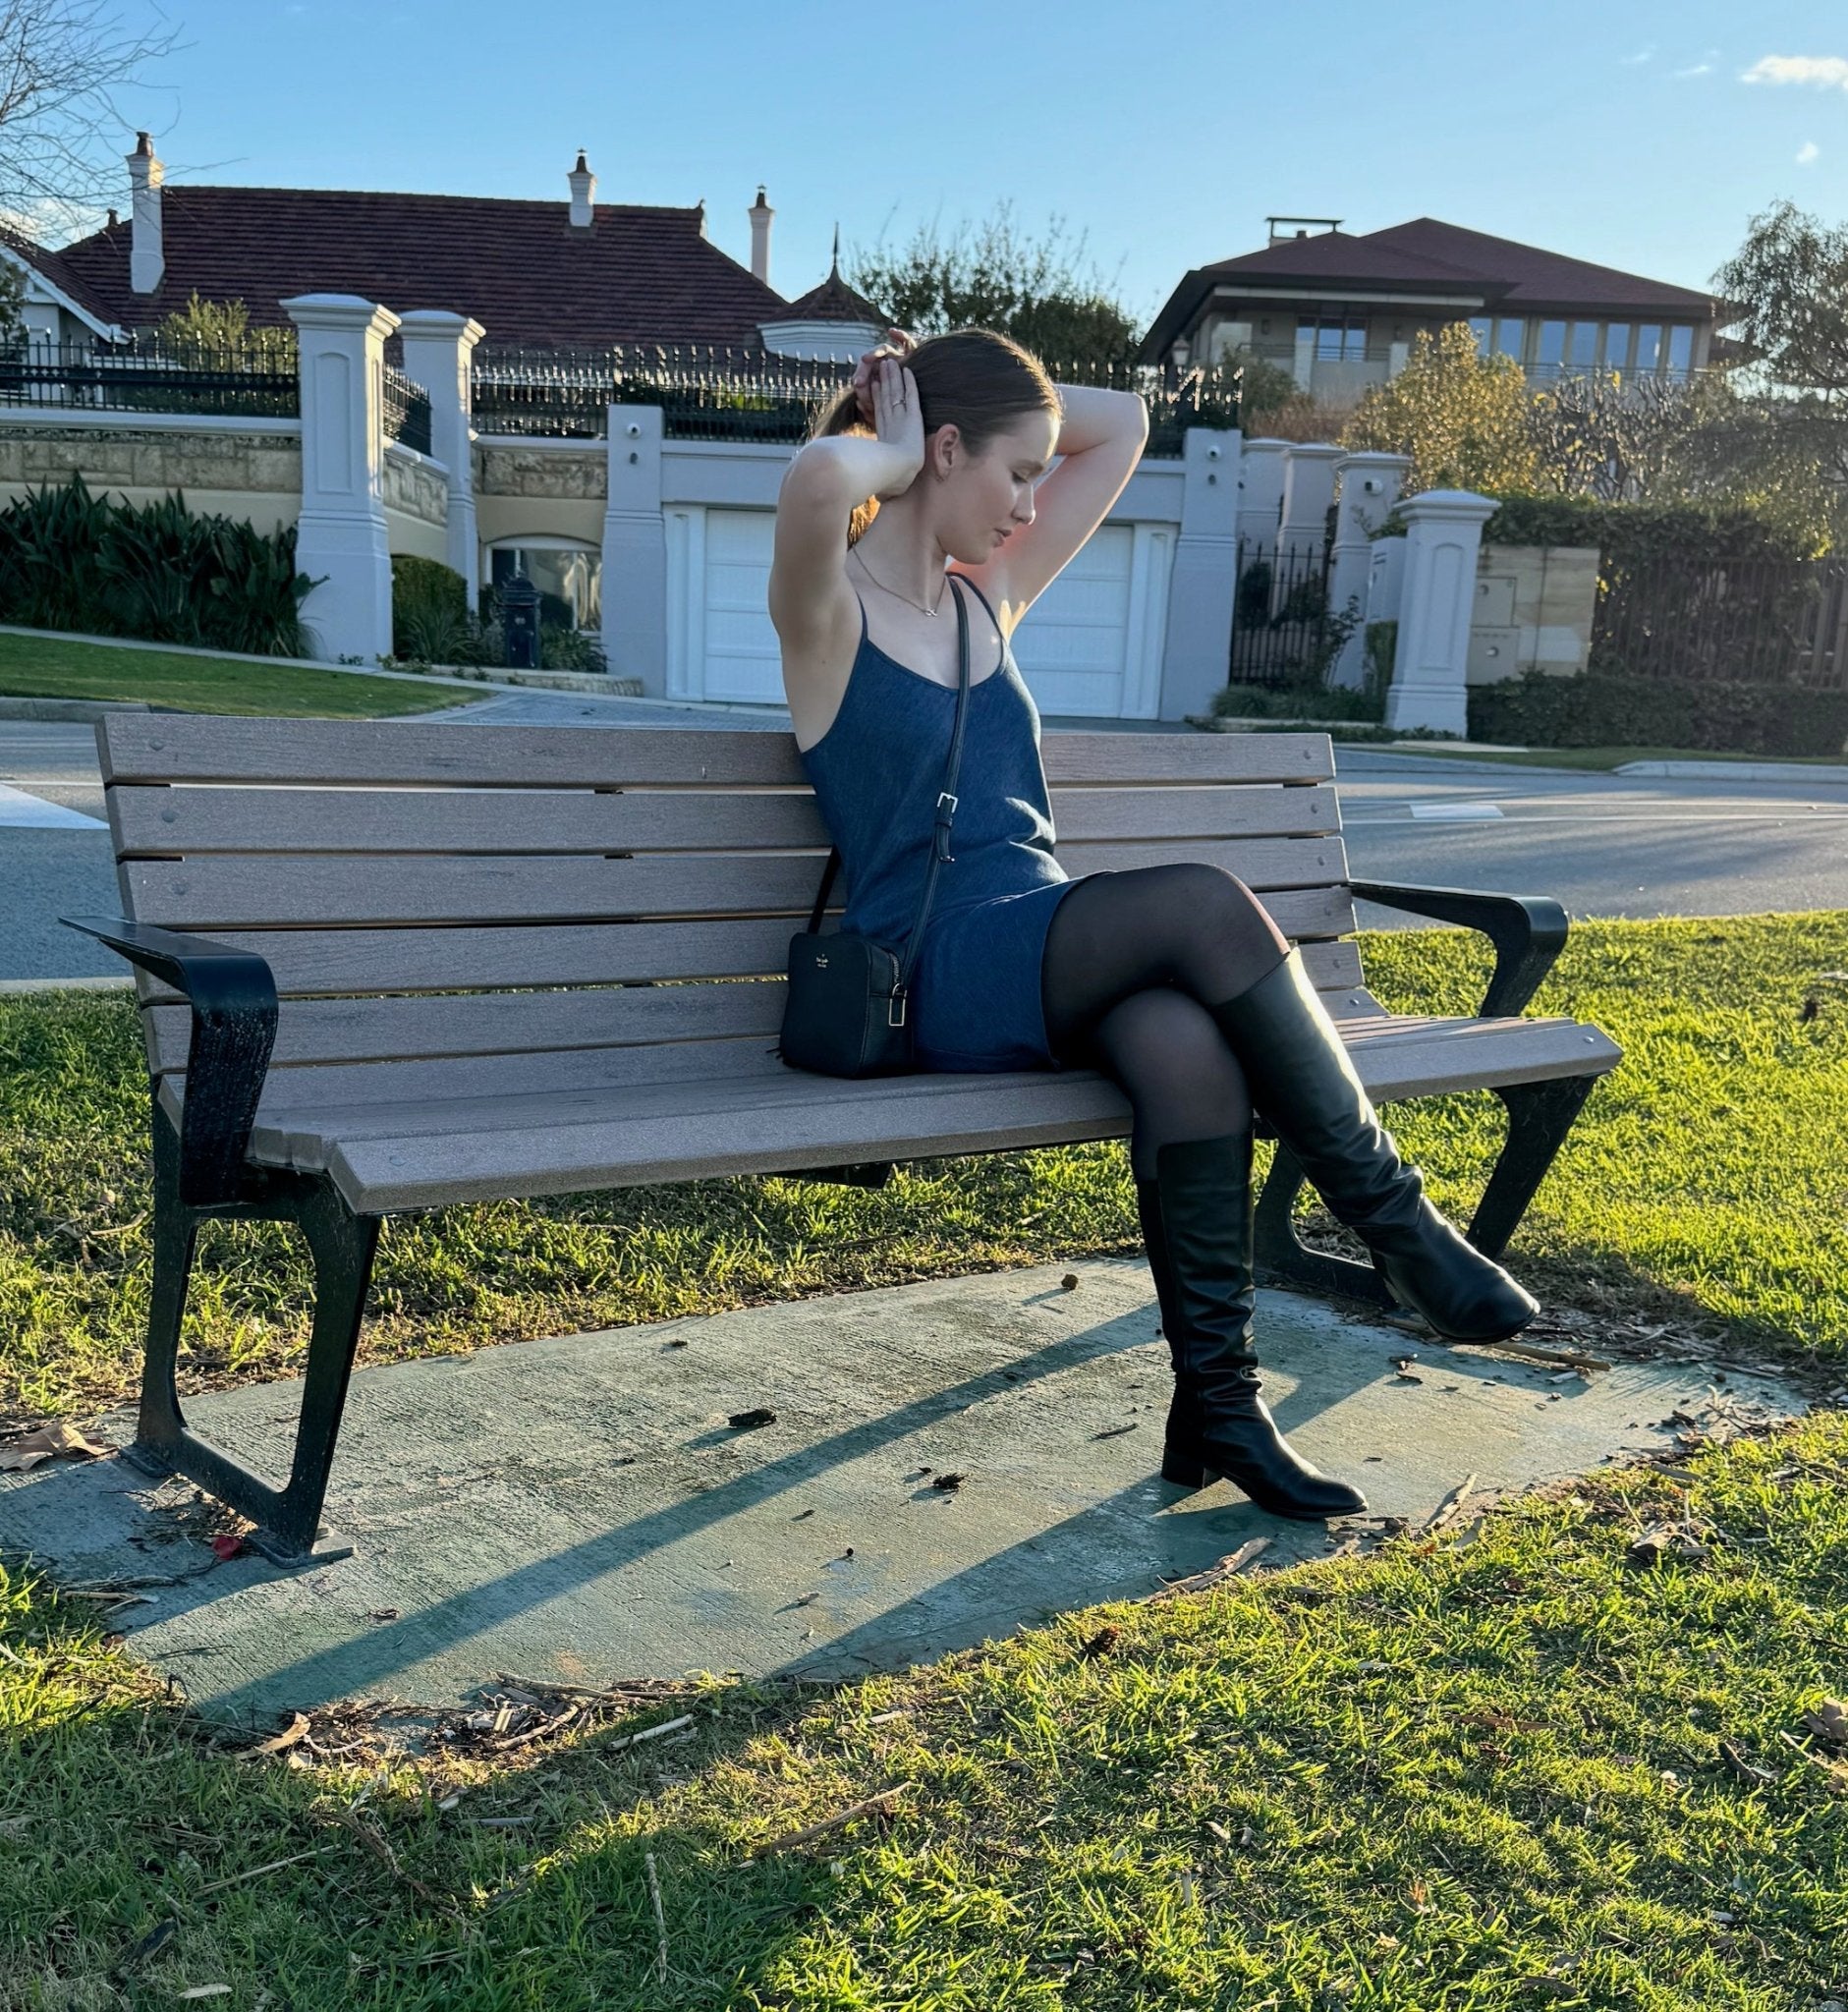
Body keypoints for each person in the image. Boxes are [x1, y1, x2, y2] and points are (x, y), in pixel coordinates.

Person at [767, 326, 1538, 1523]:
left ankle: (1219, 1407)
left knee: (1182, 1037)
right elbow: (820, 480)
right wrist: (898, 429)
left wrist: (975, 405)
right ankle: (1396, 1224)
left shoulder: (989, 602)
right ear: (943, 449)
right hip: (932, 971)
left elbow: (1121, 420)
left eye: (1038, 476)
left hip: (1035, 940)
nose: (1031, 502)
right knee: (1200, 903)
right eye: (1015, 472)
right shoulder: (829, 621)